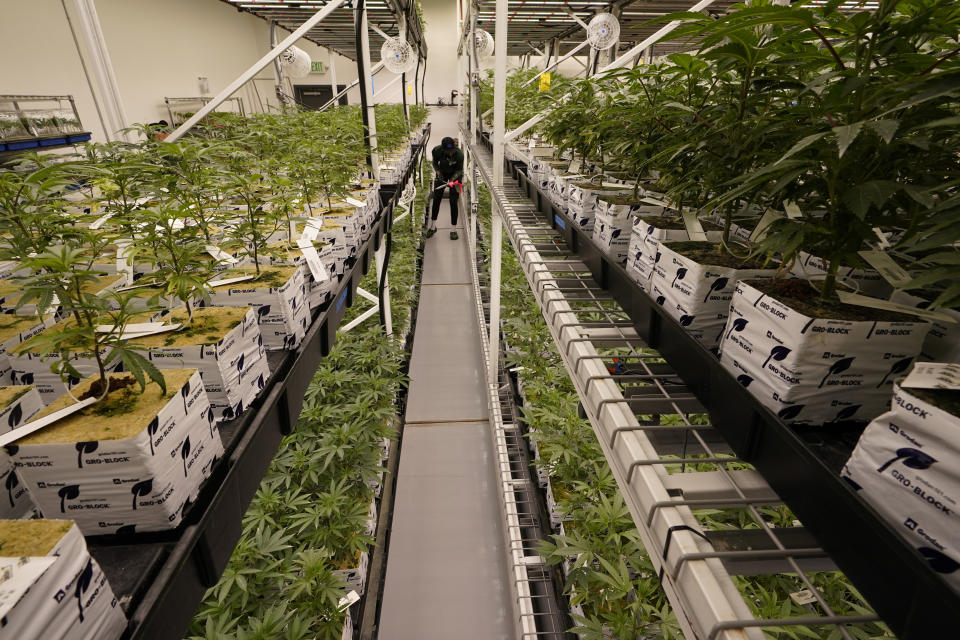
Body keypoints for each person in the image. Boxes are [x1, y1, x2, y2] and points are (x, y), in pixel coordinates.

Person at [428, 136, 464, 240]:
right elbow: (434, 162)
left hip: (457, 178)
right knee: (436, 200)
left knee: (454, 202)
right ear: (443, 149)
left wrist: (453, 180)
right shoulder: (436, 150)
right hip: (442, 175)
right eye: (448, 151)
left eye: (452, 151)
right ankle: (433, 226)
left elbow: (459, 170)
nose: (451, 153)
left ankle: (453, 229)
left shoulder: (460, 154)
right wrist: (438, 172)